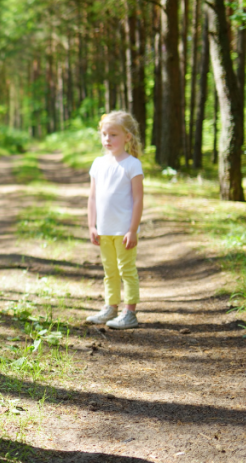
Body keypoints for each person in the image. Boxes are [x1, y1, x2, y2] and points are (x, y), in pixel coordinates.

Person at [86, 111, 144, 330]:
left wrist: (132, 229)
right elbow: (92, 197)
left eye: (113, 134)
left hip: (123, 230)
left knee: (127, 270)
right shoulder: (98, 164)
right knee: (109, 270)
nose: (107, 139)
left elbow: (138, 200)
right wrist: (92, 225)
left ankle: (129, 313)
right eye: (104, 134)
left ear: (127, 137)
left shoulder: (132, 165)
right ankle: (111, 307)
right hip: (104, 230)